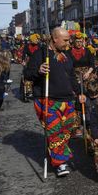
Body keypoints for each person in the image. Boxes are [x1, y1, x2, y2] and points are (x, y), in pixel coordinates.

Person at [24, 27, 85, 177]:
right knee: (55, 131)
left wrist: (79, 93)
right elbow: (27, 74)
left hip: (67, 100)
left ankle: (57, 154)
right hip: (47, 100)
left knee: (66, 131)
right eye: (65, 40)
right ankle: (60, 163)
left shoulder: (66, 56)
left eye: (68, 40)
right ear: (54, 39)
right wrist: (38, 70)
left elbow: (71, 77)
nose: (68, 43)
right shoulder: (41, 54)